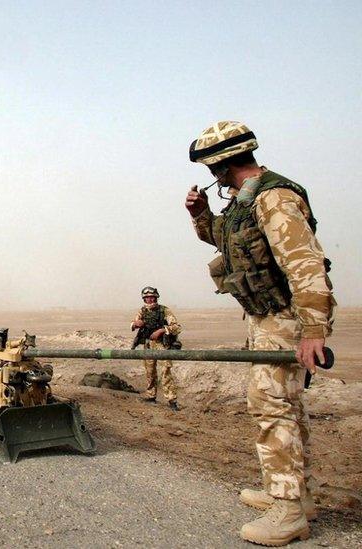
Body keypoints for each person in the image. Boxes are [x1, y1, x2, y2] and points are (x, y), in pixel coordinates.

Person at [186, 121, 335, 546]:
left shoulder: (274, 199)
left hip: (286, 319)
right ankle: (294, 494)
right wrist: (201, 216)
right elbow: (226, 240)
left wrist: (313, 330)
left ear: (220, 165)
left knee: (271, 407)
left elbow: (305, 266)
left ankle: (288, 511)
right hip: (267, 316)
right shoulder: (244, 203)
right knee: (285, 404)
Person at [130, 287, 181, 410]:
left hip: (162, 345)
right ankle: (151, 396)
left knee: (166, 372)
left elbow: (177, 327)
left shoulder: (164, 310)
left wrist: (162, 330)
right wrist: (135, 324)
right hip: (148, 344)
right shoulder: (142, 311)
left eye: (152, 297)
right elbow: (133, 323)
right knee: (150, 372)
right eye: (147, 298)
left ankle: (171, 400)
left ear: (156, 297)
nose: (150, 300)